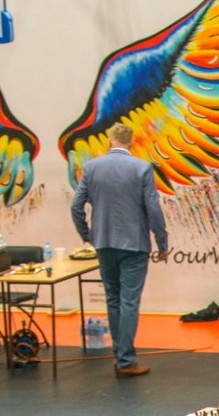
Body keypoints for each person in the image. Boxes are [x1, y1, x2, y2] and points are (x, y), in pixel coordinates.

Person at [68, 119, 167, 378]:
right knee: (129, 301)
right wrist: (162, 242)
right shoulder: (142, 168)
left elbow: (76, 206)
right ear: (131, 142)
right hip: (134, 244)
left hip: (103, 242)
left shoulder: (91, 167)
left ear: (109, 140)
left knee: (112, 298)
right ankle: (125, 360)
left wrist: (88, 235)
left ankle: (119, 355)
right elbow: (153, 208)